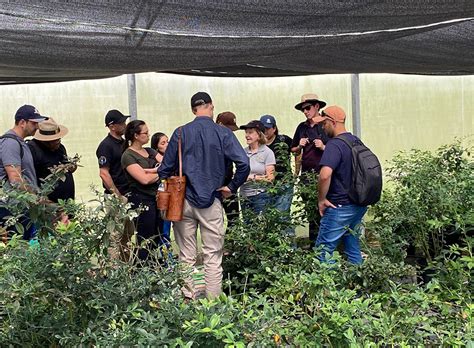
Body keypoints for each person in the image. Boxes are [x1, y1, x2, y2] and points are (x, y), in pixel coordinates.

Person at [158, 92, 249, 299]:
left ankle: (188, 301)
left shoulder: (180, 133)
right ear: (211, 106)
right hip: (212, 199)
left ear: (192, 110)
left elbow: (164, 170)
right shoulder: (223, 133)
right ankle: (212, 304)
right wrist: (231, 187)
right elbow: (244, 164)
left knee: (186, 256)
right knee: (212, 256)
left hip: (182, 202)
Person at [317, 105, 368, 264]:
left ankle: (330, 289)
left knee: (323, 251)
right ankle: (357, 285)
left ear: (332, 122)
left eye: (324, 123)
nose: (323, 128)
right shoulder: (355, 141)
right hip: (358, 204)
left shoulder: (334, 144)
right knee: (352, 245)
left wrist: (321, 199)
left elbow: (325, 175)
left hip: (339, 206)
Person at [0, 105, 47, 240]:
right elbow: (15, 179)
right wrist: (35, 196)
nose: (37, 127)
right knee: (18, 247)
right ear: (22, 122)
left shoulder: (20, 143)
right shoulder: (10, 143)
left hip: (23, 206)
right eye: (34, 123)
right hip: (13, 209)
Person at [291, 93, 329, 243]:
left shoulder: (326, 125)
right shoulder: (302, 127)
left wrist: (324, 146)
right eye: (303, 110)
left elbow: (338, 148)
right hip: (306, 176)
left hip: (324, 175)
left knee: (325, 211)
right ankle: (314, 245)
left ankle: (326, 245)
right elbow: (293, 150)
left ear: (317, 106)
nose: (305, 112)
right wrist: (299, 145)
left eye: (308, 108)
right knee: (310, 212)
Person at [121, 120, 162, 262]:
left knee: (157, 236)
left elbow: (168, 164)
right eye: (145, 133)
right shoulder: (128, 156)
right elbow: (143, 179)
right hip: (141, 201)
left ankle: (153, 266)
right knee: (145, 238)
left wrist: (154, 172)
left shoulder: (150, 151)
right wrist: (160, 172)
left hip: (156, 199)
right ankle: (141, 270)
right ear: (136, 136)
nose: (148, 135)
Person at [28, 118, 76, 202]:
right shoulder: (33, 150)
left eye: (59, 138)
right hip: (49, 207)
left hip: (67, 204)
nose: (58, 141)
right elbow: (30, 179)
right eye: (55, 139)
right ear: (45, 140)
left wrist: (72, 166)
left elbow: (67, 166)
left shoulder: (60, 148)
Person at [259, 114, 293, 218]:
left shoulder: (284, 140)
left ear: (274, 128)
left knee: (282, 215)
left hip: (284, 183)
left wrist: (296, 171)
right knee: (268, 216)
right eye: (263, 128)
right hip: (266, 185)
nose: (265, 131)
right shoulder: (259, 144)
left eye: (268, 128)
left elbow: (297, 151)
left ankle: (287, 234)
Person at [239, 120, 276, 217]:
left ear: (259, 135)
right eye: (246, 132)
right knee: (247, 227)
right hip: (244, 196)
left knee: (260, 227)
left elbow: (270, 178)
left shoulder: (267, 152)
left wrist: (252, 177)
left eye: (250, 132)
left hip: (260, 196)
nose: (247, 135)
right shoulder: (242, 152)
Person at [96, 109, 130, 199]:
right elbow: (104, 173)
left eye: (124, 122)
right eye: (122, 123)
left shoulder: (124, 143)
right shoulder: (105, 146)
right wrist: (118, 196)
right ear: (112, 127)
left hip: (128, 192)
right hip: (115, 196)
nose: (125, 125)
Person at [216, 111, 240, 228]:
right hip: (213, 187)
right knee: (214, 222)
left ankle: (232, 244)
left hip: (229, 184)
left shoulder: (230, 139)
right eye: (228, 128)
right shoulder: (210, 140)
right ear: (219, 124)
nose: (230, 132)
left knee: (234, 219)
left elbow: (241, 162)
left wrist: (232, 186)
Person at [150, 131, 172, 249]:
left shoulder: (173, 158)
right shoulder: (156, 162)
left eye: (168, 141)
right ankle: (166, 259)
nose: (167, 144)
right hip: (163, 200)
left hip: (175, 199)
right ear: (156, 147)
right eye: (163, 143)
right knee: (164, 230)